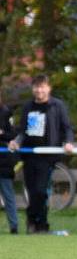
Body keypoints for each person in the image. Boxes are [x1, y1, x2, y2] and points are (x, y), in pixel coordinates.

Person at [7, 75, 74, 234]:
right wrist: (16, 141)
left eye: (42, 86)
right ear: (33, 89)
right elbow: (22, 131)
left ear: (48, 88)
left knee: (41, 190)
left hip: (48, 156)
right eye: (36, 87)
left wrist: (69, 142)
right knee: (32, 191)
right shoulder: (28, 106)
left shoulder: (57, 106)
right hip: (29, 156)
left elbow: (67, 128)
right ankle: (35, 224)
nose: (39, 90)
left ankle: (39, 223)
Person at [0, 91, 18, 234]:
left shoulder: (6, 112)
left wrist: (2, 135)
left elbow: (13, 134)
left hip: (4, 161)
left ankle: (14, 226)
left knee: (8, 195)